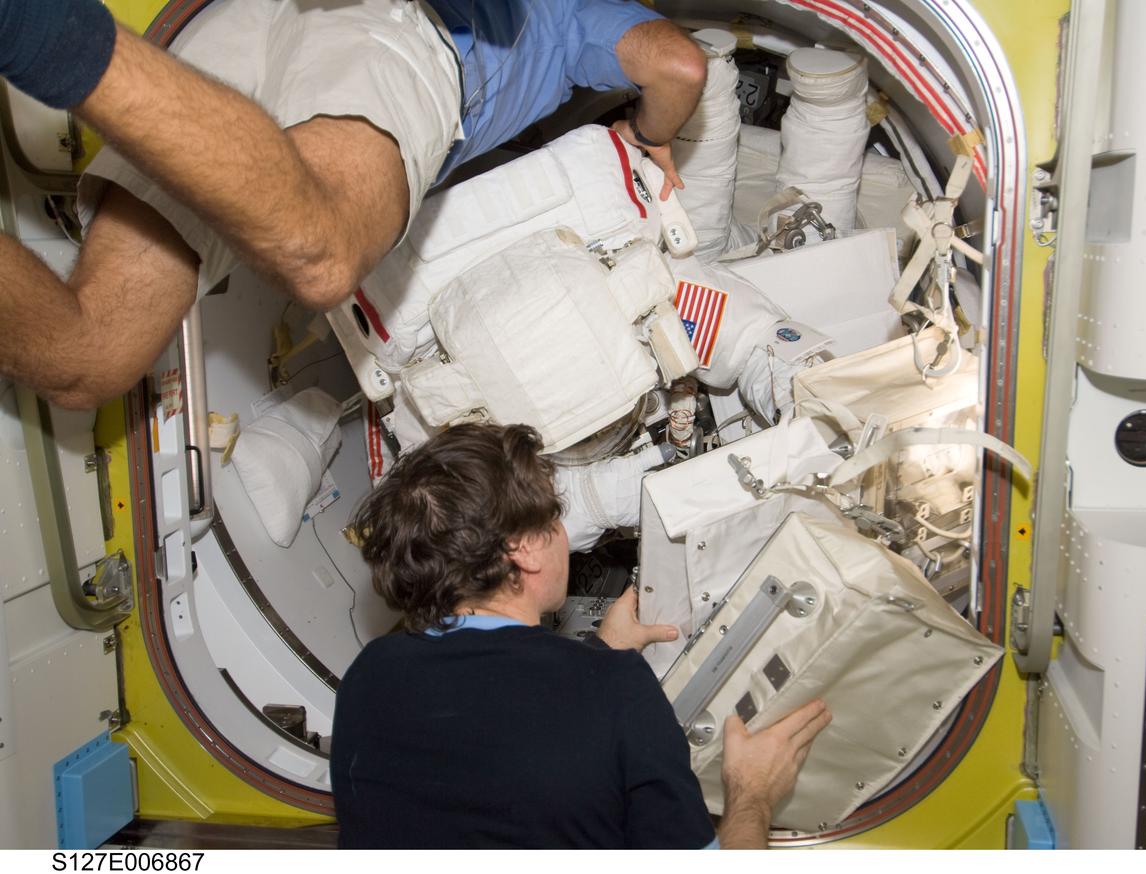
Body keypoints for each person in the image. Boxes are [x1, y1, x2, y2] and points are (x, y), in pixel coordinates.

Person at [0, 0, 706, 410]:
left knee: (87, 360)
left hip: (239, 24)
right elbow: (679, 65)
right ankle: (40, 30)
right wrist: (650, 134)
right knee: (325, 254)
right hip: (395, 43)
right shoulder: (589, 12)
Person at [330, 422, 832, 849]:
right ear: (524, 549)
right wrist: (752, 794)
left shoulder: (371, 676)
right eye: (555, 516)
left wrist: (598, 657)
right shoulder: (618, 690)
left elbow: (495, 744)